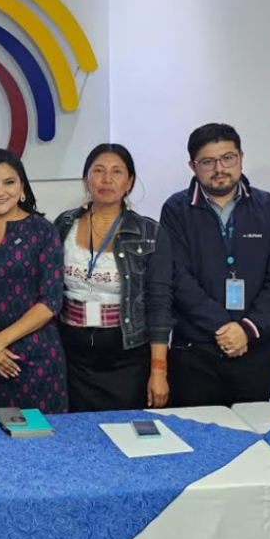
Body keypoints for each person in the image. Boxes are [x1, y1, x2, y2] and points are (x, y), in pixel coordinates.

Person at [160, 123, 270, 407]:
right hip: (194, 352)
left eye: (228, 158)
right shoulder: (176, 210)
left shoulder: (269, 207)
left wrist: (246, 329)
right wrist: (224, 327)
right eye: (208, 162)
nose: (219, 168)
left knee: (251, 439)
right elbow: (178, 278)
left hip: (253, 349)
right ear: (193, 166)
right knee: (196, 437)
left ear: (241, 157)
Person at [53, 144, 173, 412]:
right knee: (77, 438)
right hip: (71, 358)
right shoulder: (63, 225)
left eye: (117, 172)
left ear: (129, 181)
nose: (107, 179)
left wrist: (159, 371)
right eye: (98, 171)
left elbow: (160, 306)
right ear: (87, 180)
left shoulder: (150, 233)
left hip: (127, 359)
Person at [0, 149, 67, 418]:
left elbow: (51, 300)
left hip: (35, 361)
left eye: (9, 182)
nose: (0, 191)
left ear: (22, 186)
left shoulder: (43, 230)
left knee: (38, 447)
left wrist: (0, 341)